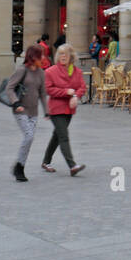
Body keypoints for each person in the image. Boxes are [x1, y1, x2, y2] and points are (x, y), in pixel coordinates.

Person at [40, 43, 86, 176]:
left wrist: (76, 96)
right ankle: (72, 166)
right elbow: (48, 89)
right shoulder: (50, 71)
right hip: (56, 109)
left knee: (57, 136)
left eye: (65, 53)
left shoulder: (77, 71)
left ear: (71, 56)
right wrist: (67, 92)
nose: (63, 56)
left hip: (69, 109)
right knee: (63, 136)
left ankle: (45, 161)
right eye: (60, 54)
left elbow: (82, 87)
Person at [4, 45, 47, 182]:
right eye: (41, 55)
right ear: (33, 57)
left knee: (30, 139)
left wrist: (47, 111)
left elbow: (42, 93)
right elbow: (9, 88)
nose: (44, 58)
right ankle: (19, 167)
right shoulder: (22, 70)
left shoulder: (41, 73)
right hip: (20, 110)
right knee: (28, 136)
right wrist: (16, 103)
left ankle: (20, 166)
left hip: (33, 111)